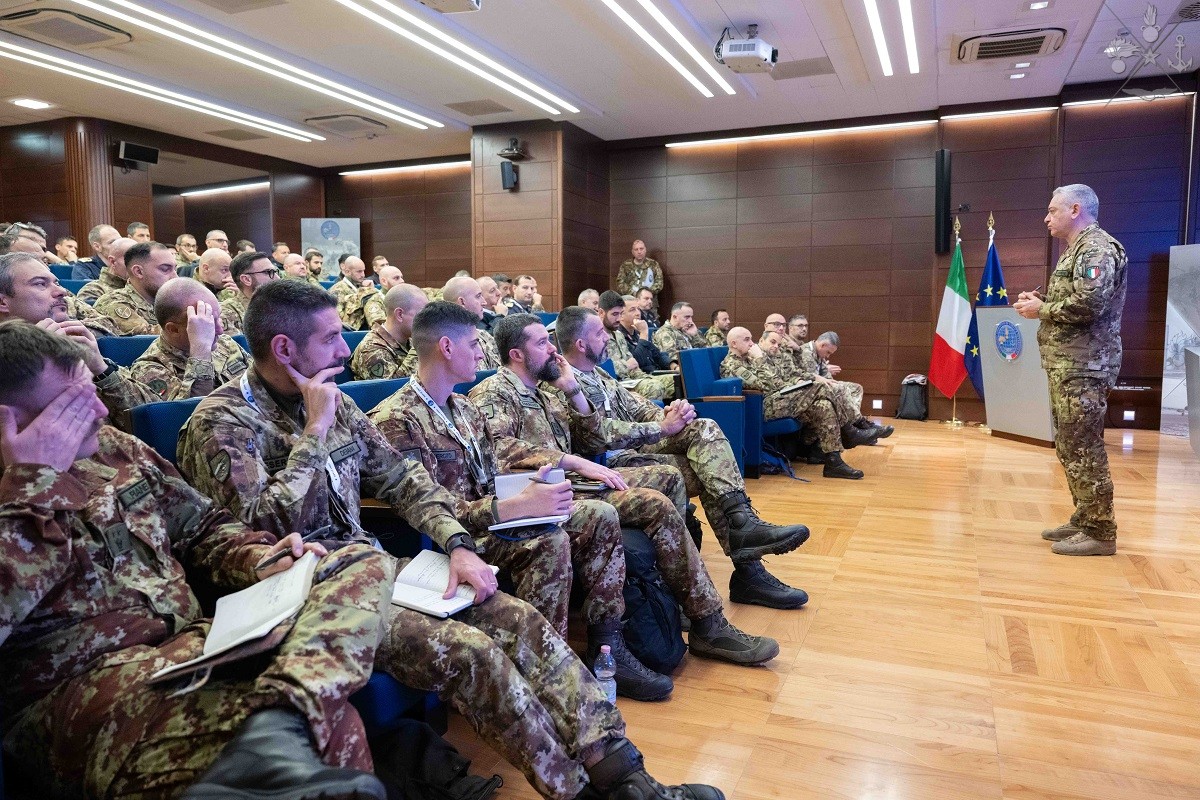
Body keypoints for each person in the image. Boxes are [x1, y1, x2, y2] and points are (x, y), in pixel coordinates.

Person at [176, 280, 724, 800]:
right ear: (284, 348)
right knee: (473, 652)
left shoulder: (334, 402)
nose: (345, 349)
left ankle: (628, 778)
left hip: (375, 567)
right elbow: (263, 528)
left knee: (519, 619)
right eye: (331, 337)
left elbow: (405, 481)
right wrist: (314, 432)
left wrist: (458, 544)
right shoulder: (221, 422)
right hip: (307, 597)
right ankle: (577, 790)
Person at [0, 320, 396, 800]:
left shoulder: (114, 449)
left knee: (354, 561)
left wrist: (258, 559)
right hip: (82, 694)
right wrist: (33, 485)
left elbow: (202, 526)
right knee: (330, 726)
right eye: (72, 408)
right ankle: (280, 723)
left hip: (194, 646)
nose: (102, 411)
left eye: (92, 393)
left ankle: (282, 716)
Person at [369, 301, 672, 701]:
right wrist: (512, 507)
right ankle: (547, 673)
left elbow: (491, 472)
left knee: (597, 515)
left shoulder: (464, 408)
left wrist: (533, 486)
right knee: (549, 541)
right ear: (446, 347)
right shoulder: (397, 419)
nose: (482, 355)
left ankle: (606, 645)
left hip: (492, 518)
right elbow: (427, 508)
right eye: (474, 345)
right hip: (455, 539)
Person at [470, 313, 778, 665]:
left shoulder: (547, 393)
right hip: (535, 496)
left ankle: (706, 614)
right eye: (542, 343)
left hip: (573, 485)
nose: (553, 349)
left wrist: (573, 390)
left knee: (670, 484)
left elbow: (592, 436)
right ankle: (703, 620)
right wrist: (572, 461)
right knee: (656, 503)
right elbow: (499, 449)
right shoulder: (494, 392)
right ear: (517, 354)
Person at [555, 306, 813, 609]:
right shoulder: (562, 383)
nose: (607, 338)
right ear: (581, 344)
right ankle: (747, 570)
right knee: (708, 471)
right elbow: (599, 434)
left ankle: (743, 528)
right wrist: (662, 427)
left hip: (633, 452)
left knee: (705, 430)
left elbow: (638, 406)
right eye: (600, 333)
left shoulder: (597, 373)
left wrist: (670, 413)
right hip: (604, 466)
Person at [1014, 184, 1127, 557]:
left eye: (1052, 210)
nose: (1046, 218)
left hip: (1086, 365)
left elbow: (1091, 305)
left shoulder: (1096, 249)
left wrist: (1042, 310)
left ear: (1075, 209)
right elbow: (1077, 300)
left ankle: (1101, 531)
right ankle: (1085, 517)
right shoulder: (1076, 250)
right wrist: (1045, 301)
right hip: (1069, 364)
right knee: (1069, 444)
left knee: (1084, 445)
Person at [0, 252, 157, 419]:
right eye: (40, 284)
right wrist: (33, 364)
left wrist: (101, 369)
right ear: (2, 302)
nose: (62, 291)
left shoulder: (73, 342)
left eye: (56, 282)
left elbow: (151, 418)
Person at [722, 326, 868, 479]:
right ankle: (850, 429)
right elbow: (768, 385)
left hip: (779, 398)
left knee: (823, 406)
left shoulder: (749, 358)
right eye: (747, 340)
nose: (752, 343)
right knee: (822, 387)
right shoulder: (733, 365)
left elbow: (778, 379)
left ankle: (834, 462)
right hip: (763, 406)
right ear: (734, 344)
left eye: (751, 339)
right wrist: (760, 359)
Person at [131, 277, 250, 400]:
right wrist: (201, 352)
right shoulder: (149, 369)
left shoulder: (225, 343)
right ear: (173, 329)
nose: (220, 330)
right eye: (206, 324)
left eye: (218, 318)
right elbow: (192, 409)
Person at [599, 291, 673, 401]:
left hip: (631, 380)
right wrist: (626, 365)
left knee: (676, 380)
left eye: (620, 314)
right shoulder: (596, 337)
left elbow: (634, 365)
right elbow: (600, 369)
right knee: (654, 387)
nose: (619, 318)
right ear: (601, 313)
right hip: (613, 384)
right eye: (614, 314)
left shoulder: (618, 335)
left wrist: (646, 377)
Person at [94, 241, 179, 336]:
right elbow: (147, 336)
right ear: (138, 272)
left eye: (175, 269)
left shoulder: (171, 301)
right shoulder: (113, 302)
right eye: (165, 269)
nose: (175, 277)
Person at [349, 283, 428, 379]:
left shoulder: (409, 339)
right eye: (421, 315)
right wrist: (419, 345)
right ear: (400, 315)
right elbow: (394, 386)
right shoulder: (371, 350)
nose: (426, 320)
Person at [441, 276, 501, 369]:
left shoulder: (484, 335)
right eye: (478, 296)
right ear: (462, 302)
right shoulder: (447, 343)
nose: (484, 302)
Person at [221, 250, 281, 334]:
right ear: (246, 279)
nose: (277, 278)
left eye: (275, 272)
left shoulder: (281, 307)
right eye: (268, 272)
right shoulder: (227, 311)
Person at [75, 236, 136, 305]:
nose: (137, 265)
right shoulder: (94, 290)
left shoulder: (141, 289)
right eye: (131, 259)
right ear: (113, 261)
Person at [329, 254, 378, 330]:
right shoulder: (337, 290)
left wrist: (371, 291)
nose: (363, 275)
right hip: (351, 331)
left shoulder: (364, 286)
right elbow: (339, 321)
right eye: (359, 271)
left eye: (363, 271)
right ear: (347, 272)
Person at [652, 302, 707, 369]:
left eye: (691, 317)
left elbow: (706, 350)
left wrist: (695, 334)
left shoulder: (686, 330)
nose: (690, 321)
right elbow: (672, 357)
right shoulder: (665, 332)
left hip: (695, 366)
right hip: (681, 369)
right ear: (675, 317)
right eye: (687, 317)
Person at [616, 241, 663, 311]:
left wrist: (646, 294)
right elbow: (620, 284)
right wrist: (635, 293)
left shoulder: (653, 264)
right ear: (632, 252)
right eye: (636, 249)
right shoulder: (626, 265)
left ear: (645, 250)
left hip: (649, 303)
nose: (639, 252)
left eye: (641, 249)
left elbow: (659, 283)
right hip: (631, 302)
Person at [363, 265, 405, 329]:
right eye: (396, 278)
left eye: (401, 277)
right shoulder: (374, 302)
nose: (402, 281)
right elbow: (380, 329)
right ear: (384, 281)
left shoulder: (403, 298)